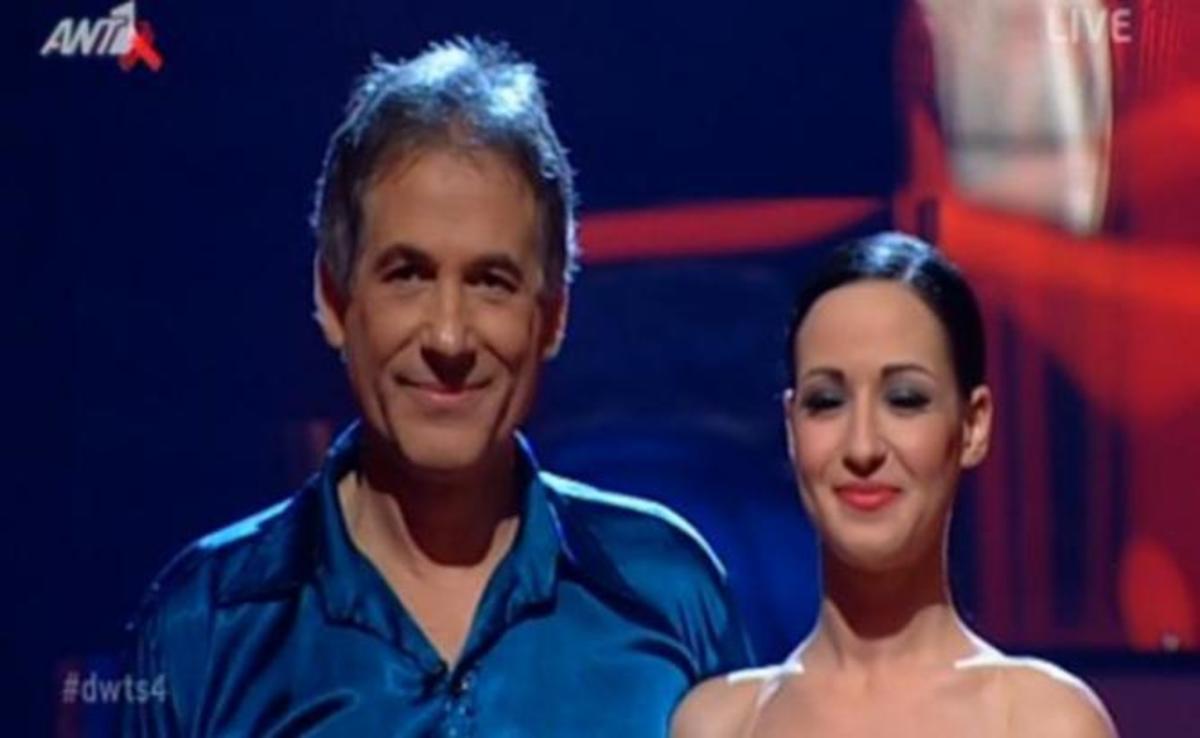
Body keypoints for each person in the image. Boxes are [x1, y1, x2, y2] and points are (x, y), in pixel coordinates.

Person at [119, 38, 751, 737]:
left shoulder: (668, 593)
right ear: (333, 298)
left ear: (552, 317)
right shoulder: (205, 627)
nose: (449, 338)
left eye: (491, 282)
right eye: (408, 275)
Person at [671, 232, 1117, 737]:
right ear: (792, 430)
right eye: (826, 402)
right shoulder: (721, 723)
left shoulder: (1043, 721)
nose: (862, 447)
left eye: (905, 399)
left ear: (973, 426)